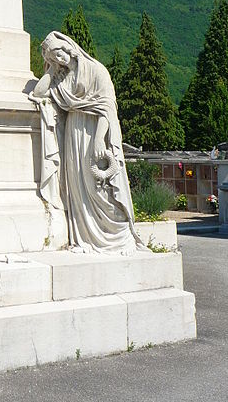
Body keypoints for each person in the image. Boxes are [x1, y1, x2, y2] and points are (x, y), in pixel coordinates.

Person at [29, 30, 144, 253]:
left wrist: (100, 140)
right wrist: (51, 68)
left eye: (59, 54)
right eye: (53, 58)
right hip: (73, 133)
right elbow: (39, 91)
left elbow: (107, 107)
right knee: (78, 186)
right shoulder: (61, 77)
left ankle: (118, 235)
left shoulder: (96, 70)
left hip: (94, 132)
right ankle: (86, 237)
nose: (59, 59)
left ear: (69, 47)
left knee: (98, 187)